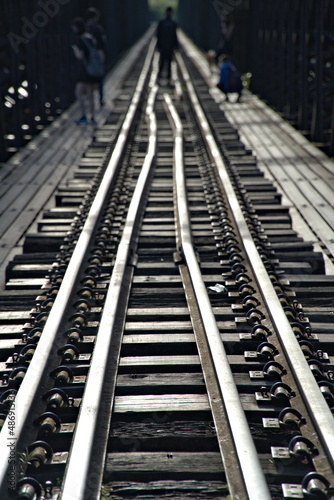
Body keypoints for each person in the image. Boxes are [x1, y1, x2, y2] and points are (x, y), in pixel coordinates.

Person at [71, 17, 100, 125]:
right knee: (91, 94)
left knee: (78, 92)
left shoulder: (80, 39)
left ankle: (83, 115)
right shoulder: (90, 38)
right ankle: (92, 117)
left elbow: (80, 56)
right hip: (92, 70)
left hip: (84, 71)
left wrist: (75, 52)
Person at [85, 7, 107, 106]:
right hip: (97, 55)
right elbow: (102, 43)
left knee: (89, 78)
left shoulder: (85, 28)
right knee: (100, 76)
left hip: (87, 57)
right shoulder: (97, 28)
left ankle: (89, 98)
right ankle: (101, 98)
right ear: (95, 17)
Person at [156, 6, 178, 85]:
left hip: (168, 46)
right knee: (163, 62)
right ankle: (160, 78)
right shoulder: (168, 23)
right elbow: (158, 35)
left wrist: (176, 45)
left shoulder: (168, 23)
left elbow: (175, 35)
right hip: (165, 46)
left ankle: (167, 78)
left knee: (168, 63)